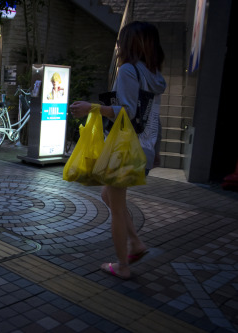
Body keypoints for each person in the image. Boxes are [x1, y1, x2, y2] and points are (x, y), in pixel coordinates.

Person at [70, 21, 167, 279]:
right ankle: (135, 243)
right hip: (143, 149)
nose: (117, 45)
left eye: (120, 40)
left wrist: (92, 108)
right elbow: (154, 117)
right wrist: (155, 150)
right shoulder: (154, 75)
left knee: (115, 203)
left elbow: (127, 112)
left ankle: (122, 266)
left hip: (126, 149)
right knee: (108, 195)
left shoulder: (128, 70)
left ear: (128, 44)